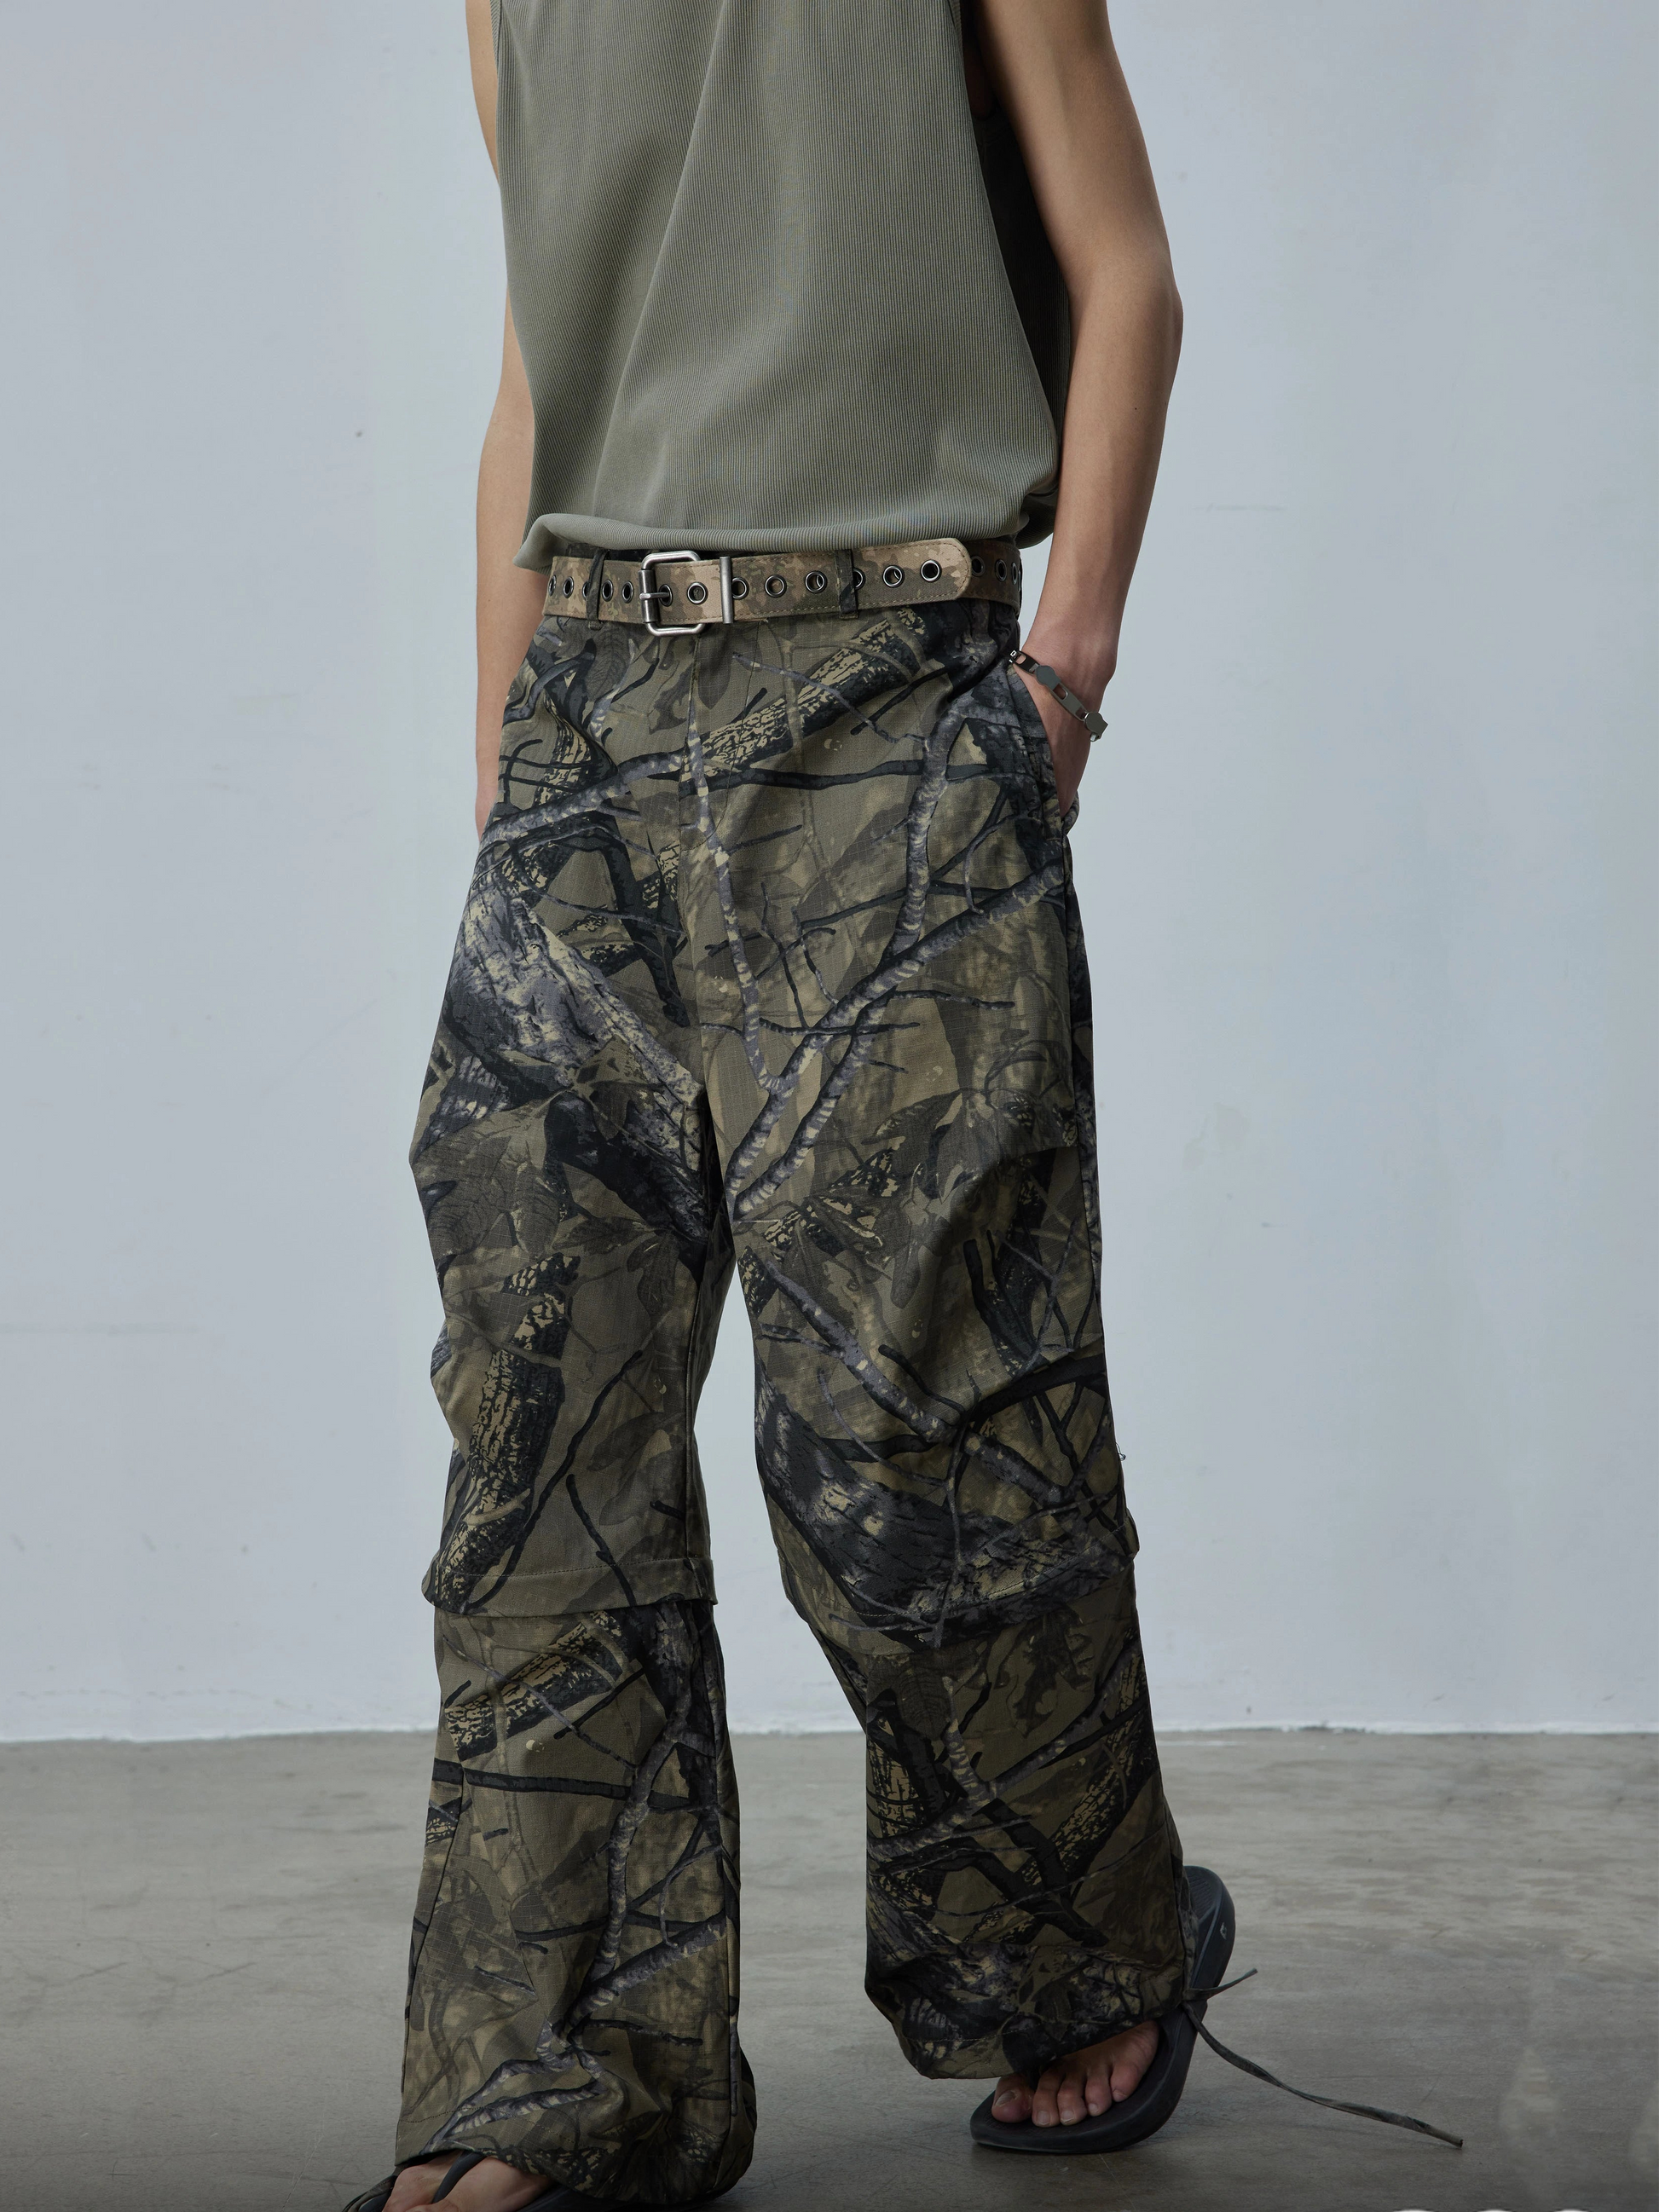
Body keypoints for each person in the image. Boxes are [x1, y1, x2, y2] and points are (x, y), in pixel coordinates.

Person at [348, 4, 1197, 2205]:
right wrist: (504, 753)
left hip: (888, 688)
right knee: (542, 1426)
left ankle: (1073, 1943)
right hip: (590, 719)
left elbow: (1125, 271)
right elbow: (549, 367)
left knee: (911, 1422)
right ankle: (556, 2088)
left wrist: (1062, 683)